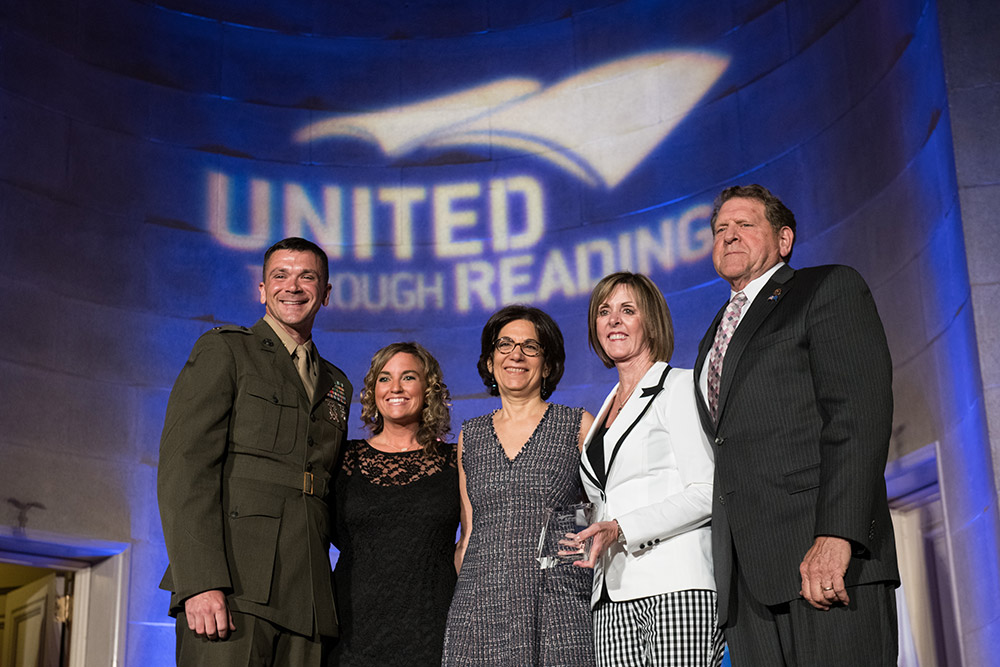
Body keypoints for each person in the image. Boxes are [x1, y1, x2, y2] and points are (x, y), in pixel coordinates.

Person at [694, 184, 899, 665]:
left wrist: (837, 536)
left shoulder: (826, 288)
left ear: (784, 240)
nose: (729, 235)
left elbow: (858, 417)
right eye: (721, 228)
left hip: (825, 559)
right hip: (749, 585)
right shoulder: (714, 333)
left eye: (745, 224)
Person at [157, 237, 352, 666]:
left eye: (307, 277)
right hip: (234, 585)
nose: (293, 286)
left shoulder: (337, 384)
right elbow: (185, 469)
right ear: (262, 290)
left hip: (308, 596)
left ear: (326, 292)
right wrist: (200, 581)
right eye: (280, 276)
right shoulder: (226, 349)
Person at [573, 272, 723, 666]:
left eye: (627, 310)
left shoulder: (678, 387)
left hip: (676, 585)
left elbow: (707, 491)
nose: (613, 320)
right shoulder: (604, 409)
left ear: (651, 321)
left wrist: (621, 527)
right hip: (612, 593)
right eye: (604, 312)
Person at [441, 305, 596, 666]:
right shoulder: (472, 435)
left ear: (548, 363)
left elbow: (592, 517)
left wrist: (568, 578)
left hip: (556, 608)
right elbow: (469, 534)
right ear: (491, 360)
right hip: (479, 611)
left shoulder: (576, 425)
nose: (516, 354)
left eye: (530, 346)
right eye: (505, 344)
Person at [330, 342, 460, 666]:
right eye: (384, 378)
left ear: (428, 388)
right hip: (352, 631)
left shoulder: (456, 459)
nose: (396, 388)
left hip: (432, 629)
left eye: (409, 377)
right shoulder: (345, 457)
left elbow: (471, 540)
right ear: (373, 390)